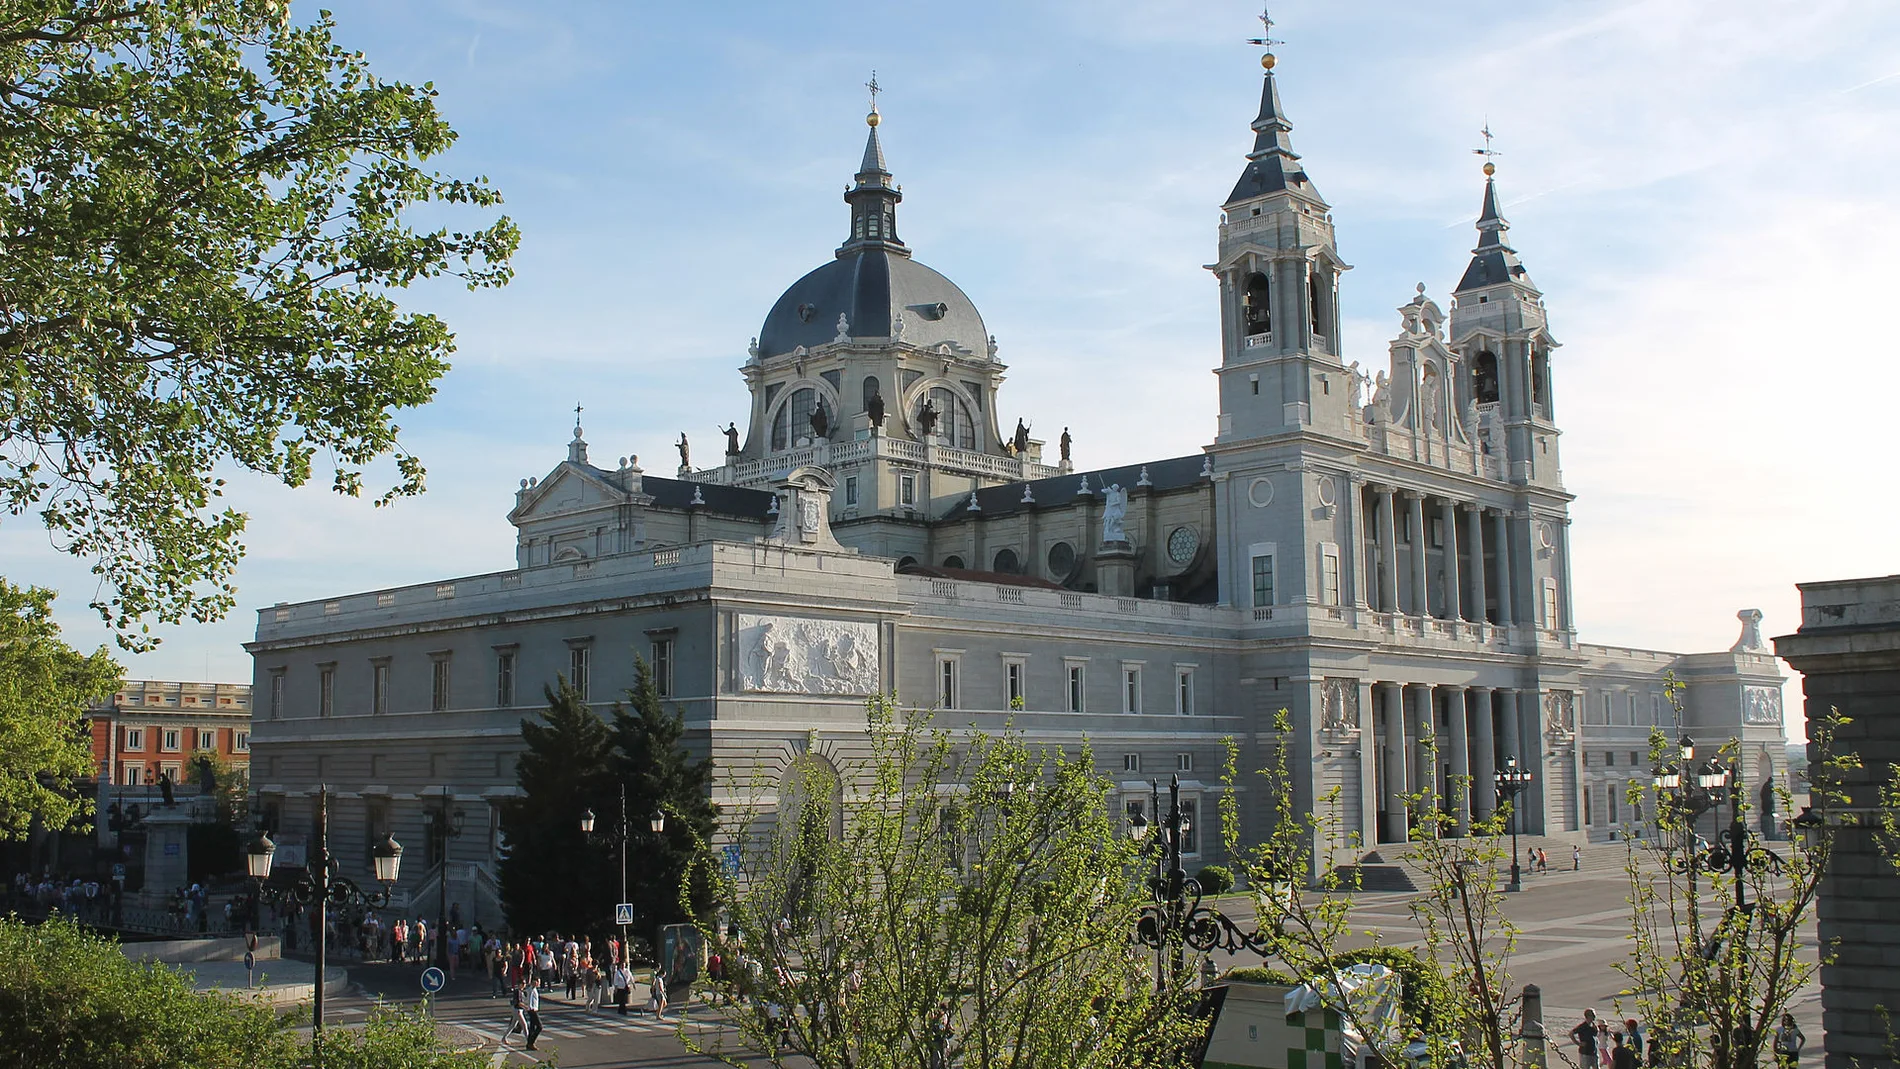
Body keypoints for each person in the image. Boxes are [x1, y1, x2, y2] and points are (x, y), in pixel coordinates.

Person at [521, 979, 542, 1051]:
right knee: (539, 1027)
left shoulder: (534, 989)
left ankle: (529, 1044)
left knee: (532, 1027)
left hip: (533, 1009)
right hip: (532, 1010)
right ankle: (531, 1042)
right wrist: (530, 1009)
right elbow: (529, 1000)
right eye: (537, 981)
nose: (538, 983)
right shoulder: (531, 990)